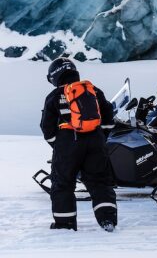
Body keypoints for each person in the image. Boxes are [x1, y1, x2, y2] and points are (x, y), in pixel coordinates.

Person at [40, 57, 117, 232]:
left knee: (63, 183)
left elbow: (47, 127)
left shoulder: (54, 96)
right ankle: (108, 220)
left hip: (67, 141)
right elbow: (108, 115)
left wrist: (57, 144)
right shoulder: (93, 90)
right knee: (100, 181)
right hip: (95, 139)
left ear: (55, 76)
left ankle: (64, 223)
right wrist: (100, 136)